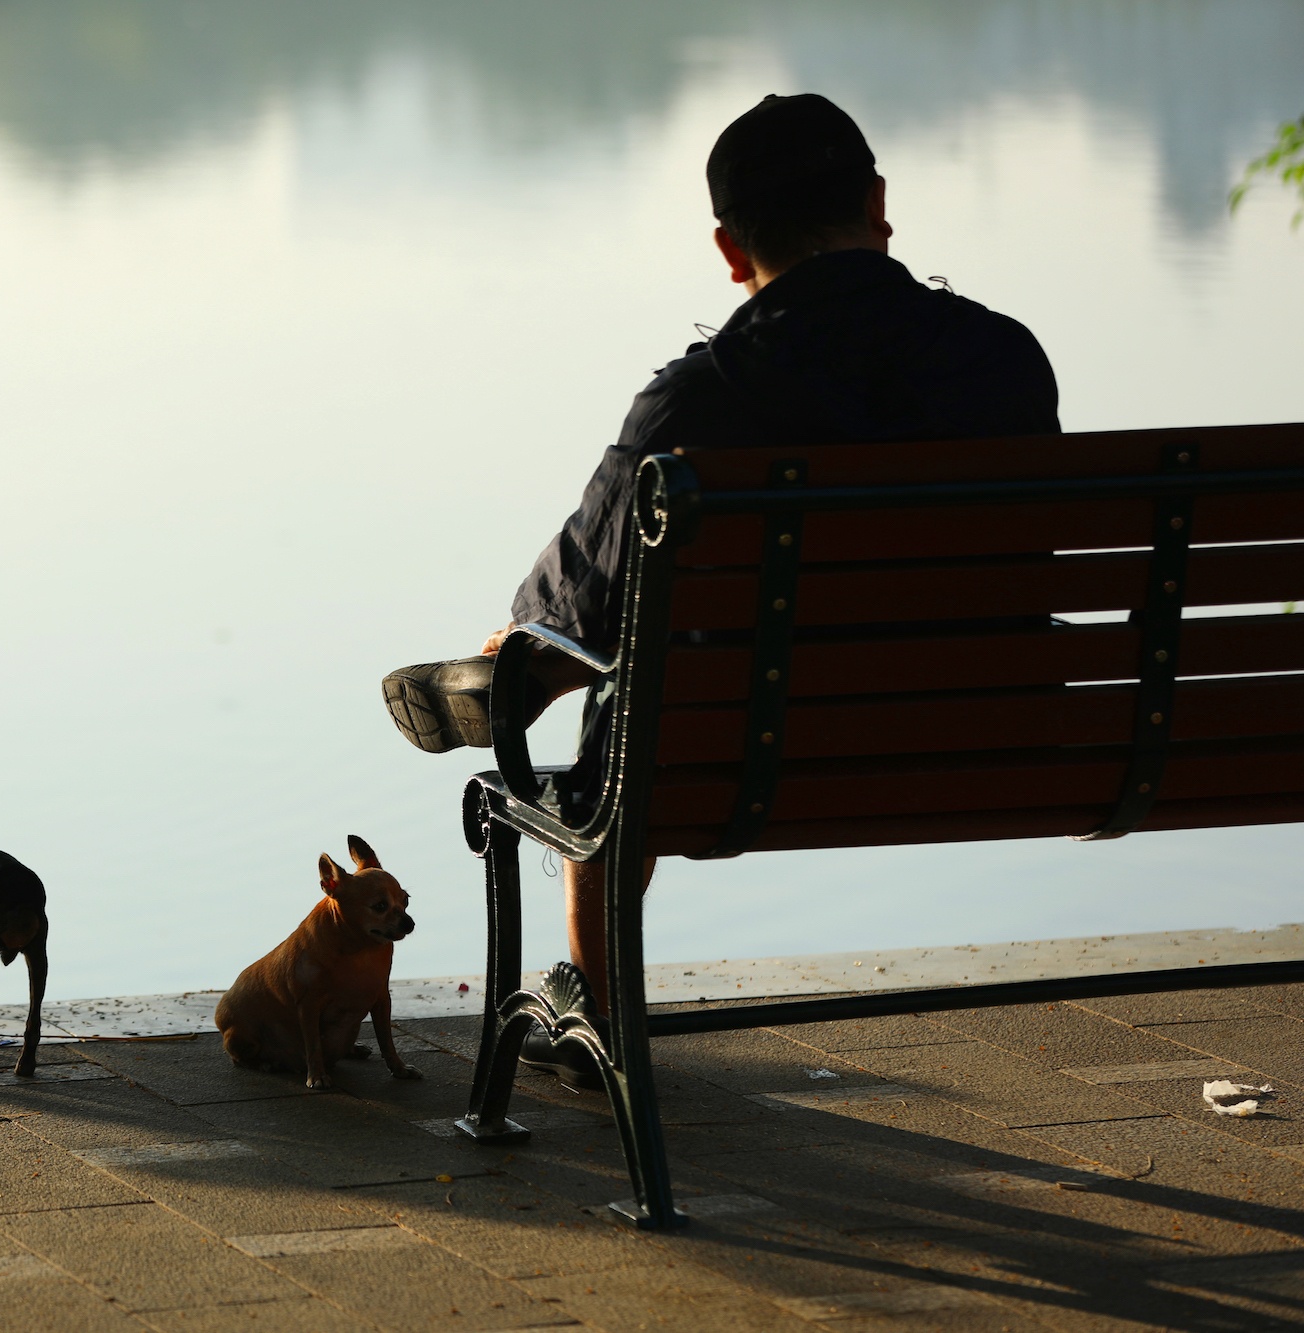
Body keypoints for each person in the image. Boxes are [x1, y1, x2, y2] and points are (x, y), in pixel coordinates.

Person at [382, 93, 1060, 1089]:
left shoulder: (694, 402)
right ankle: (525, 674)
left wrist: (533, 635)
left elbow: (587, 593)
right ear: (877, 204)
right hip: (992, 736)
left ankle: (594, 997)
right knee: (645, 652)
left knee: (612, 686)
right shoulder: (1006, 361)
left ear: (729, 249)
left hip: (740, 757)